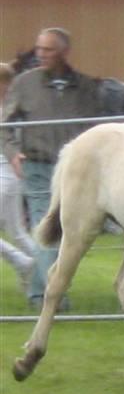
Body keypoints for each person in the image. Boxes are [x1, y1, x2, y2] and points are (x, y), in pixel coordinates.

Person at [0, 27, 102, 310]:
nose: (40, 54)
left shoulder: (86, 88)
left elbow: (98, 129)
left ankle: (37, 291)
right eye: (39, 49)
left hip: (75, 172)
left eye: (48, 50)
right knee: (46, 226)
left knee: (67, 231)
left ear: (64, 52)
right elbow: (5, 123)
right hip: (37, 167)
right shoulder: (24, 84)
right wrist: (12, 153)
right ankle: (53, 297)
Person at [0, 62, 35, 294]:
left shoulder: (11, 108)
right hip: (9, 174)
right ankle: (43, 269)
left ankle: (24, 264)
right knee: (17, 232)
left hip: (6, 172)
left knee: (18, 231)